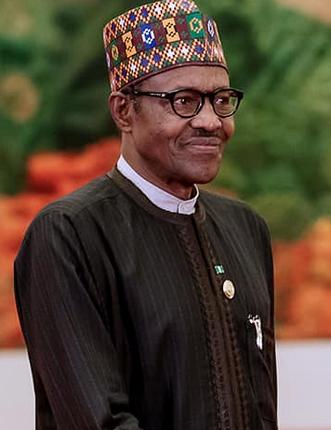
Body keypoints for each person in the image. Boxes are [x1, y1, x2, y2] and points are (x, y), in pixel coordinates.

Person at [14, 1, 277, 428]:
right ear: (123, 111)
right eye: (185, 100)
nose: (211, 121)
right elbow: (97, 419)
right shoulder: (70, 234)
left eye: (221, 100)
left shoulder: (246, 229)